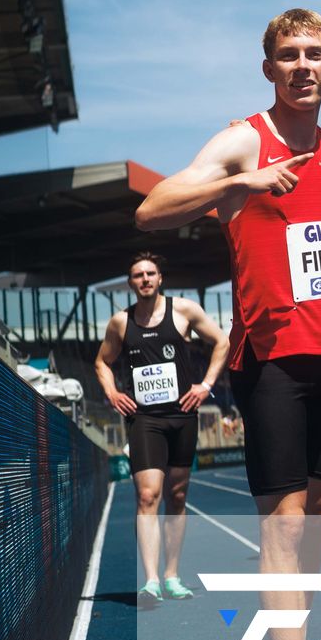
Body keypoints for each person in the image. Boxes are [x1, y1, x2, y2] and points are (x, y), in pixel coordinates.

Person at [134, 9, 321, 640]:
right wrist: (242, 180)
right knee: (286, 524)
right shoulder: (244, 138)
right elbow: (153, 208)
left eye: (316, 55)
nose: (303, 65)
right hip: (267, 363)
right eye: (289, 55)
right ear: (269, 68)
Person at [94, 252, 228, 606]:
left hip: (183, 414)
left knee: (178, 495)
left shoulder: (184, 311)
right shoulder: (121, 323)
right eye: (138, 275)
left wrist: (205, 385)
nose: (145, 279)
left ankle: (172, 574)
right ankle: (151, 580)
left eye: (150, 273)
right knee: (147, 495)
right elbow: (102, 361)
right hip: (145, 419)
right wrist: (111, 392)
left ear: (160, 278)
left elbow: (222, 342)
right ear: (130, 283)